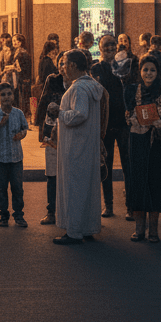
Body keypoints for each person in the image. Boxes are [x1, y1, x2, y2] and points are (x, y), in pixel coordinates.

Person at [53, 49, 108, 245]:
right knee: (87, 188)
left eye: (64, 63)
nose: (62, 67)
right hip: (87, 144)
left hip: (75, 146)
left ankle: (74, 231)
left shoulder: (78, 89)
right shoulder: (92, 86)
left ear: (74, 66)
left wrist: (59, 113)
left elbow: (80, 114)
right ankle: (87, 227)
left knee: (74, 188)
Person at [124, 54, 161, 241]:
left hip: (154, 142)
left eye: (152, 70)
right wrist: (139, 119)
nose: (148, 73)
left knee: (153, 182)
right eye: (145, 70)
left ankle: (153, 231)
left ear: (158, 72)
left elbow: (160, 117)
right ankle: (139, 228)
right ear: (139, 71)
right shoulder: (132, 90)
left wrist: (148, 120)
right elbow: (128, 116)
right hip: (136, 140)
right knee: (137, 182)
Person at [91, 35, 129, 219]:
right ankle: (109, 205)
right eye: (105, 45)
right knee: (105, 165)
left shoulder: (124, 66)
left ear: (117, 48)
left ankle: (130, 206)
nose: (109, 48)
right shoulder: (95, 68)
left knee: (127, 165)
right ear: (99, 48)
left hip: (123, 123)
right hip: (104, 124)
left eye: (112, 45)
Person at [0, 82, 28, 228]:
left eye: (9, 94)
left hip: (16, 157)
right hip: (0, 157)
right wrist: (1, 124)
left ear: (13, 95)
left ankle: (19, 215)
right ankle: (3, 215)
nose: (6, 97)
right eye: (3, 95)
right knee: (1, 188)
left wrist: (21, 134)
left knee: (17, 187)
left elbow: (25, 129)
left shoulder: (19, 113)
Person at [39, 57, 66, 226]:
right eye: (61, 62)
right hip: (51, 133)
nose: (63, 66)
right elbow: (43, 103)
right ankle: (51, 211)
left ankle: (66, 211)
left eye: (66, 63)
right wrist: (42, 133)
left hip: (69, 132)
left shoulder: (76, 84)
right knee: (52, 174)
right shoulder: (52, 79)